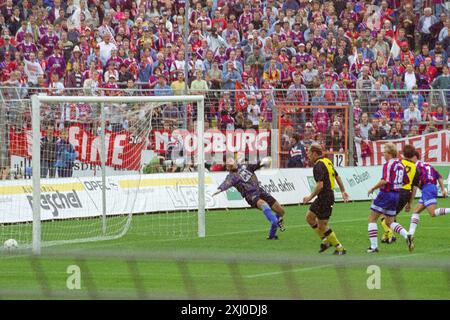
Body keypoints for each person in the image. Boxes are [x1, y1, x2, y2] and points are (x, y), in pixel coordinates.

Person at [212, 157, 285, 239]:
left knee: (281, 211)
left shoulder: (245, 166)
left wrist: (262, 162)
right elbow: (226, 184)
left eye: (234, 163)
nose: (233, 166)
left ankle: (272, 235)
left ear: (236, 162)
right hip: (250, 196)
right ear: (228, 167)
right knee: (265, 205)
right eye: (231, 165)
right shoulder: (231, 177)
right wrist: (220, 189)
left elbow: (256, 165)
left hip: (260, 191)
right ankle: (274, 221)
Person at [302, 144, 349, 255]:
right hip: (324, 196)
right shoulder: (327, 161)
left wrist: (309, 197)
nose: (308, 156)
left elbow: (320, 186)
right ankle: (325, 241)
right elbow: (337, 176)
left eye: (309, 153)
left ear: (314, 153)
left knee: (322, 224)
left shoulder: (318, 166)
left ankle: (340, 248)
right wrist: (342, 191)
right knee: (309, 217)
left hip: (325, 197)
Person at [367, 143, 413, 253]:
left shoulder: (388, 164)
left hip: (386, 193)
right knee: (389, 222)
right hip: (396, 195)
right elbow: (406, 180)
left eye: (384, 152)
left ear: (389, 153)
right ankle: (407, 235)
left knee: (372, 219)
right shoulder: (401, 165)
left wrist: (373, 188)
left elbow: (385, 180)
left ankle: (374, 247)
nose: (383, 154)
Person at [380, 145, 420, 244]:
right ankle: (388, 236)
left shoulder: (398, 162)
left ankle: (403, 235)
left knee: (383, 214)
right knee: (391, 216)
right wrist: (410, 203)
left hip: (396, 191)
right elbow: (414, 188)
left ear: (403, 153)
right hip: (406, 194)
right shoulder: (415, 169)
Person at [408, 151, 450, 242]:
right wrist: (443, 189)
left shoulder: (416, 167)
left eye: (410, 158)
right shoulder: (427, 165)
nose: (409, 160)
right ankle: (410, 235)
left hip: (427, 188)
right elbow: (439, 176)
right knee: (415, 211)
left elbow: (418, 182)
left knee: (432, 213)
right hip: (430, 187)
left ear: (415, 157)